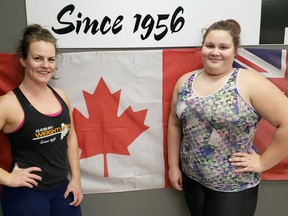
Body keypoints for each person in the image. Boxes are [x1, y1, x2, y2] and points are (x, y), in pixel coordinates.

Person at [167, 19, 288, 216]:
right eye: (210, 46)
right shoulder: (185, 81)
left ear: (235, 51)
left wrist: (263, 163)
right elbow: (174, 124)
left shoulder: (249, 82)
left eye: (223, 47)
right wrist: (173, 166)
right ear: (202, 48)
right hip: (192, 178)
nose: (215, 52)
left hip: (233, 185)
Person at [0, 24, 83, 215]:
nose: (45, 65)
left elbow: (70, 138)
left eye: (51, 59)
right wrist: (8, 178)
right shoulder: (7, 105)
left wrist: (76, 179)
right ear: (23, 60)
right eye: (37, 58)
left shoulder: (61, 96)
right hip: (26, 196)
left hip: (62, 189)